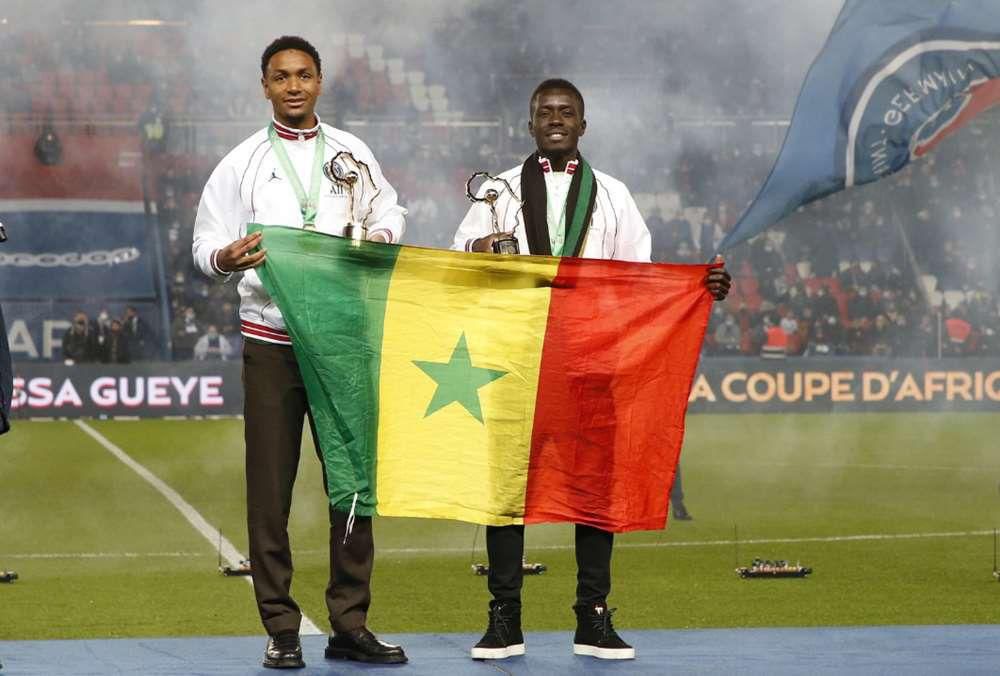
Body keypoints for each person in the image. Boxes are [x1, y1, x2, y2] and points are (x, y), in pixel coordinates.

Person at [452, 79, 731, 661]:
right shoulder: (497, 191)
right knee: (506, 492)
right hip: (516, 362)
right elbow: (458, 264)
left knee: (596, 492)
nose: (556, 120)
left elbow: (642, 281)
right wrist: (484, 249)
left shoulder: (613, 195)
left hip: (592, 363)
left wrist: (697, 288)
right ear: (529, 125)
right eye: (545, 113)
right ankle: (504, 619)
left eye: (567, 112)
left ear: (583, 124)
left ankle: (593, 618)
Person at [192, 35, 407, 669]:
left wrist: (383, 233)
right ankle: (282, 626)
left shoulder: (352, 152)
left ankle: (349, 621)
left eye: (304, 75)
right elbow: (206, 239)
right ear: (265, 86)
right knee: (270, 487)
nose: (293, 86)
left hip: (341, 338)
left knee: (352, 482)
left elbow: (389, 210)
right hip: (271, 342)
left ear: (320, 82)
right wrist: (222, 257)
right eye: (281, 76)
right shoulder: (241, 163)